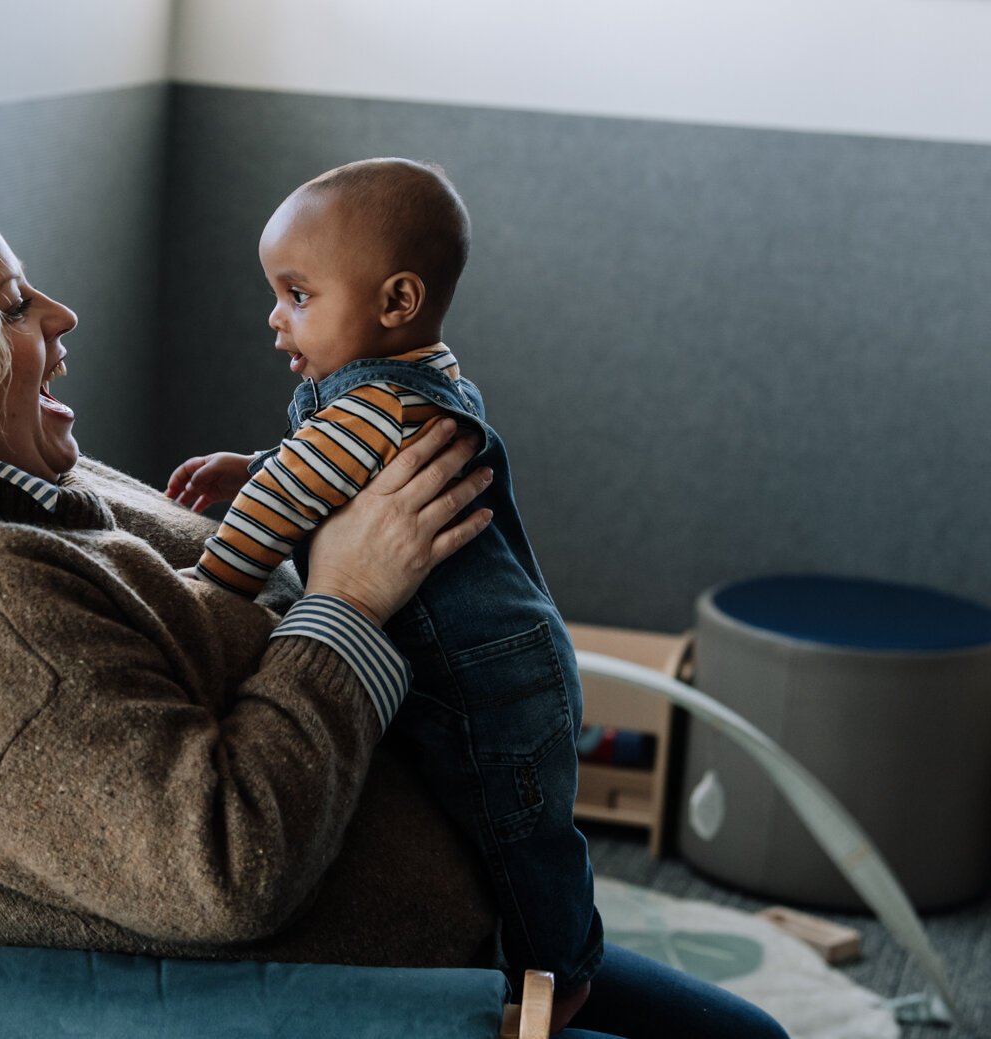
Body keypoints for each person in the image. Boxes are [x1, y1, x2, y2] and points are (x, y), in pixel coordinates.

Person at [0, 162, 788, 1038]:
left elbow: (195, 604)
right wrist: (350, 600)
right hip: (382, 1002)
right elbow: (218, 867)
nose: (63, 316)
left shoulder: (15, 492)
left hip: (461, 926)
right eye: (17, 304)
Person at [166, 158, 788, 1039]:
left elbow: (275, 514)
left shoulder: (369, 408)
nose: (276, 316)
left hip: (488, 684)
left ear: (396, 301)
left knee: (521, 835)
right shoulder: (419, 377)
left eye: (298, 294)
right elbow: (317, 470)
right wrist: (264, 465)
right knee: (492, 827)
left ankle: (560, 973)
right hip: (498, 655)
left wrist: (206, 588)